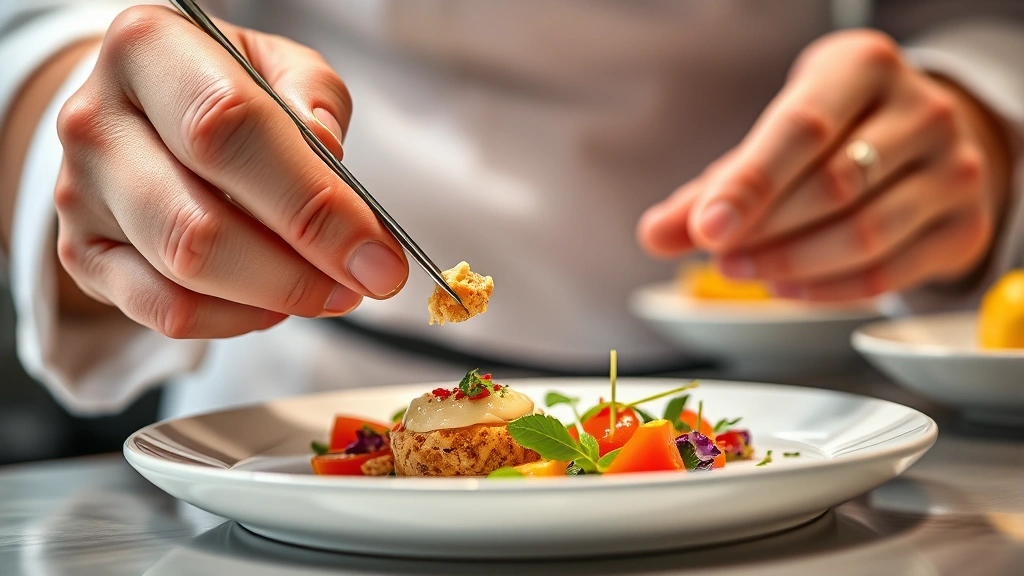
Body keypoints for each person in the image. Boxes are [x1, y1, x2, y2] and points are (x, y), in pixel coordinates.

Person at [1, 1, 1021, 418]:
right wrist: (114, 148)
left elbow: (977, 23)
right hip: (310, 405)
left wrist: (974, 124)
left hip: (805, 412)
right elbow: (48, 30)